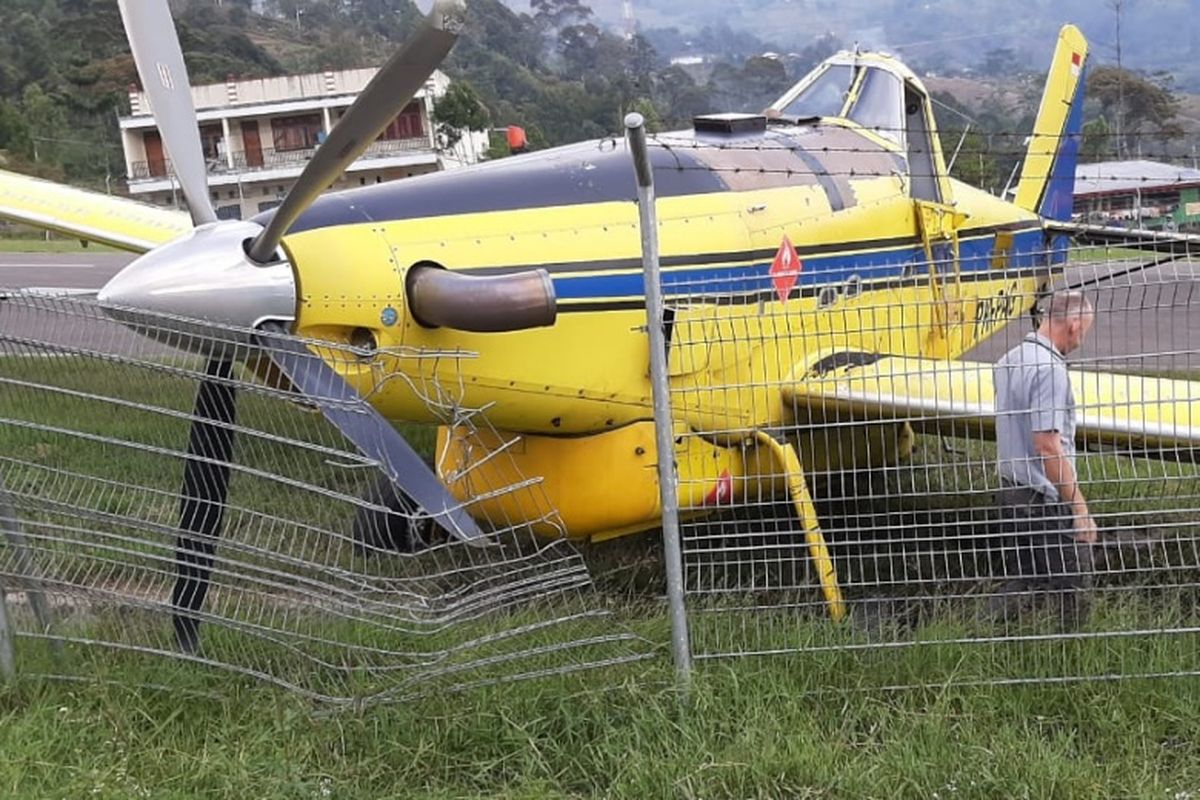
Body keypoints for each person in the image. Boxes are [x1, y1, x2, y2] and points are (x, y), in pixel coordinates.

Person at [990, 290, 1097, 628]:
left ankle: (990, 637)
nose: (1082, 340)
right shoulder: (1050, 369)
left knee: (1023, 579)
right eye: (1085, 331)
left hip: (1011, 491)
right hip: (1042, 498)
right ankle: (1072, 653)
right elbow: (1048, 446)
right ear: (1074, 324)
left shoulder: (1010, 360)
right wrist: (1079, 510)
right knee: (1074, 585)